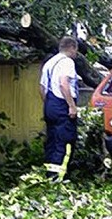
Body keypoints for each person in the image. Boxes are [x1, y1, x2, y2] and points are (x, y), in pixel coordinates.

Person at [39, 36, 80, 181]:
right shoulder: (67, 62)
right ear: (72, 48)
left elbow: (42, 88)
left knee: (52, 140)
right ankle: (60, 177)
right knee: (65, 141)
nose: (76, 54)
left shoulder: (49, 63)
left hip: (50, 105)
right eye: (76, 51)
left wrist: (50, 104)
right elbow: (64, 83)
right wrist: (71, 106)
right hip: (63, 105)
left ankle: (49, 175)